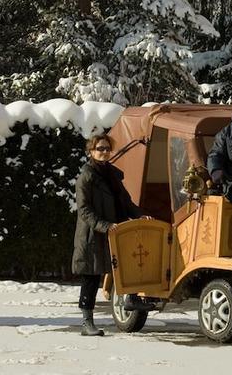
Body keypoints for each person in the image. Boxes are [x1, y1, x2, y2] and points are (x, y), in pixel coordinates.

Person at [71, 134, 152, 336]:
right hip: (92, 234)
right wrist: (105, 226)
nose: (104, 152)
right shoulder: (85, 177)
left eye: (107, 148)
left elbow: (125, 202)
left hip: (116, 230)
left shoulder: (113, 175)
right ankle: (86, 323)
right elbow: (84, 210)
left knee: (127, 265)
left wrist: (140, 215)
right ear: (91, 151)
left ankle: (131, 298)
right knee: (91, 277)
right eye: (100, 149)